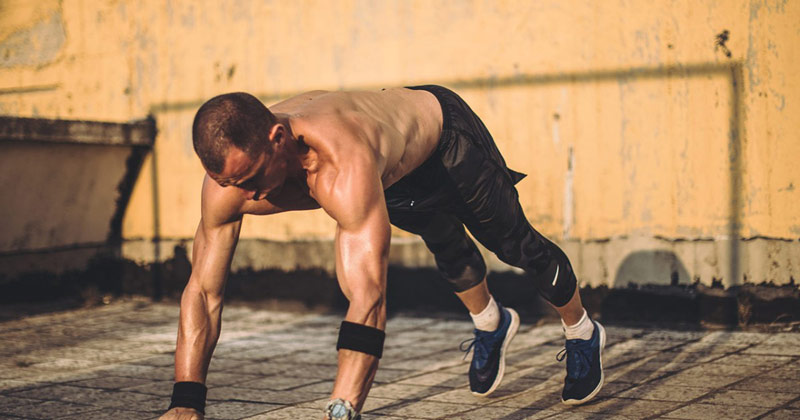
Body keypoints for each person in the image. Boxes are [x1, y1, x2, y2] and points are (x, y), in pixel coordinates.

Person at [159, 85, 605, 420]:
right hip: (395, 175)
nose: (248, 195)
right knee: (446, 245)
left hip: (447, 144)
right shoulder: (231, 183)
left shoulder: (341, 164)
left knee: (514, 245)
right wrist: (186, 400)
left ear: (279, 138)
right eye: (231, 184)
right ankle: (492, 323)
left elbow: (367, 296)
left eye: (252, 177)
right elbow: (202, 291)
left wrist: (342, 408)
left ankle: (582, 331)